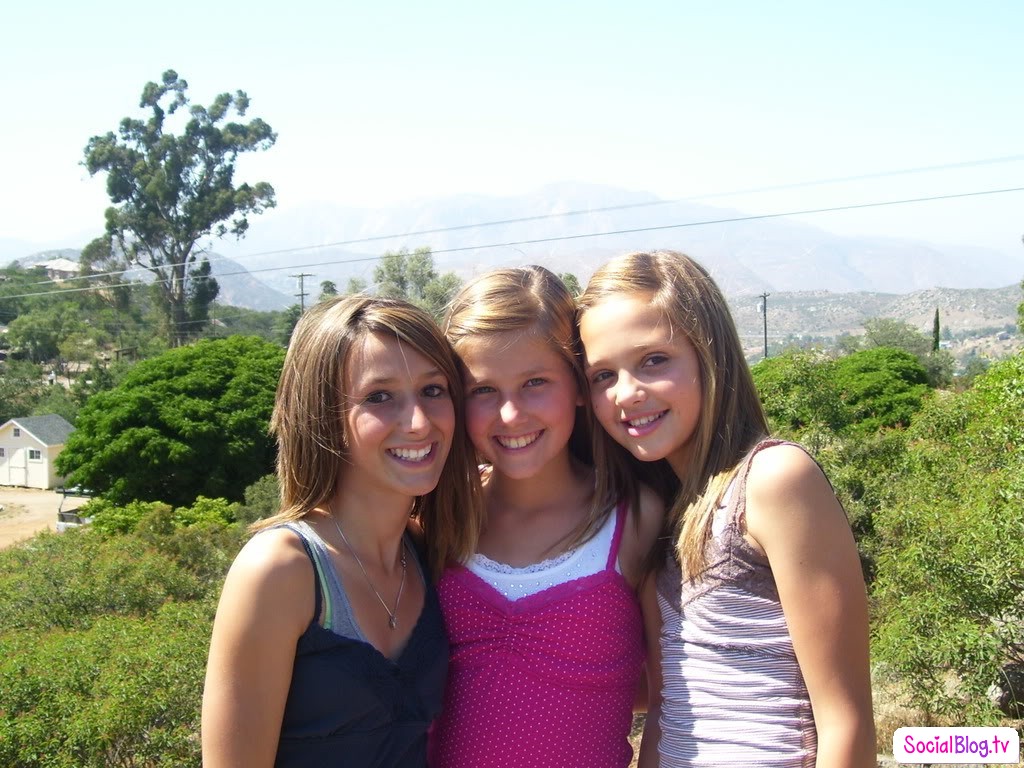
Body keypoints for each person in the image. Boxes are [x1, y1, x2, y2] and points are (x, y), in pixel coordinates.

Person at [577, 250, 876, 768]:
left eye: (654, 360)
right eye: (603, 375)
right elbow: (667, 712)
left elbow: (846, 724)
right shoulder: (658, 511)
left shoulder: (774, 480)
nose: (627, 393)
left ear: (709, 355)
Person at [201, 295, 482, 768]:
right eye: (379, 397)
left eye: (433, 390)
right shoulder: (281, 570)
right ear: (323, 416)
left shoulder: (427, 552)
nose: (419, 422)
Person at [429, 266, 663, 768]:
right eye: (483, 390)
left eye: (535, 383)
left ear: (579, 384)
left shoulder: (635, 520)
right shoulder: (438, 521)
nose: (511, 415)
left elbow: (669, 699)